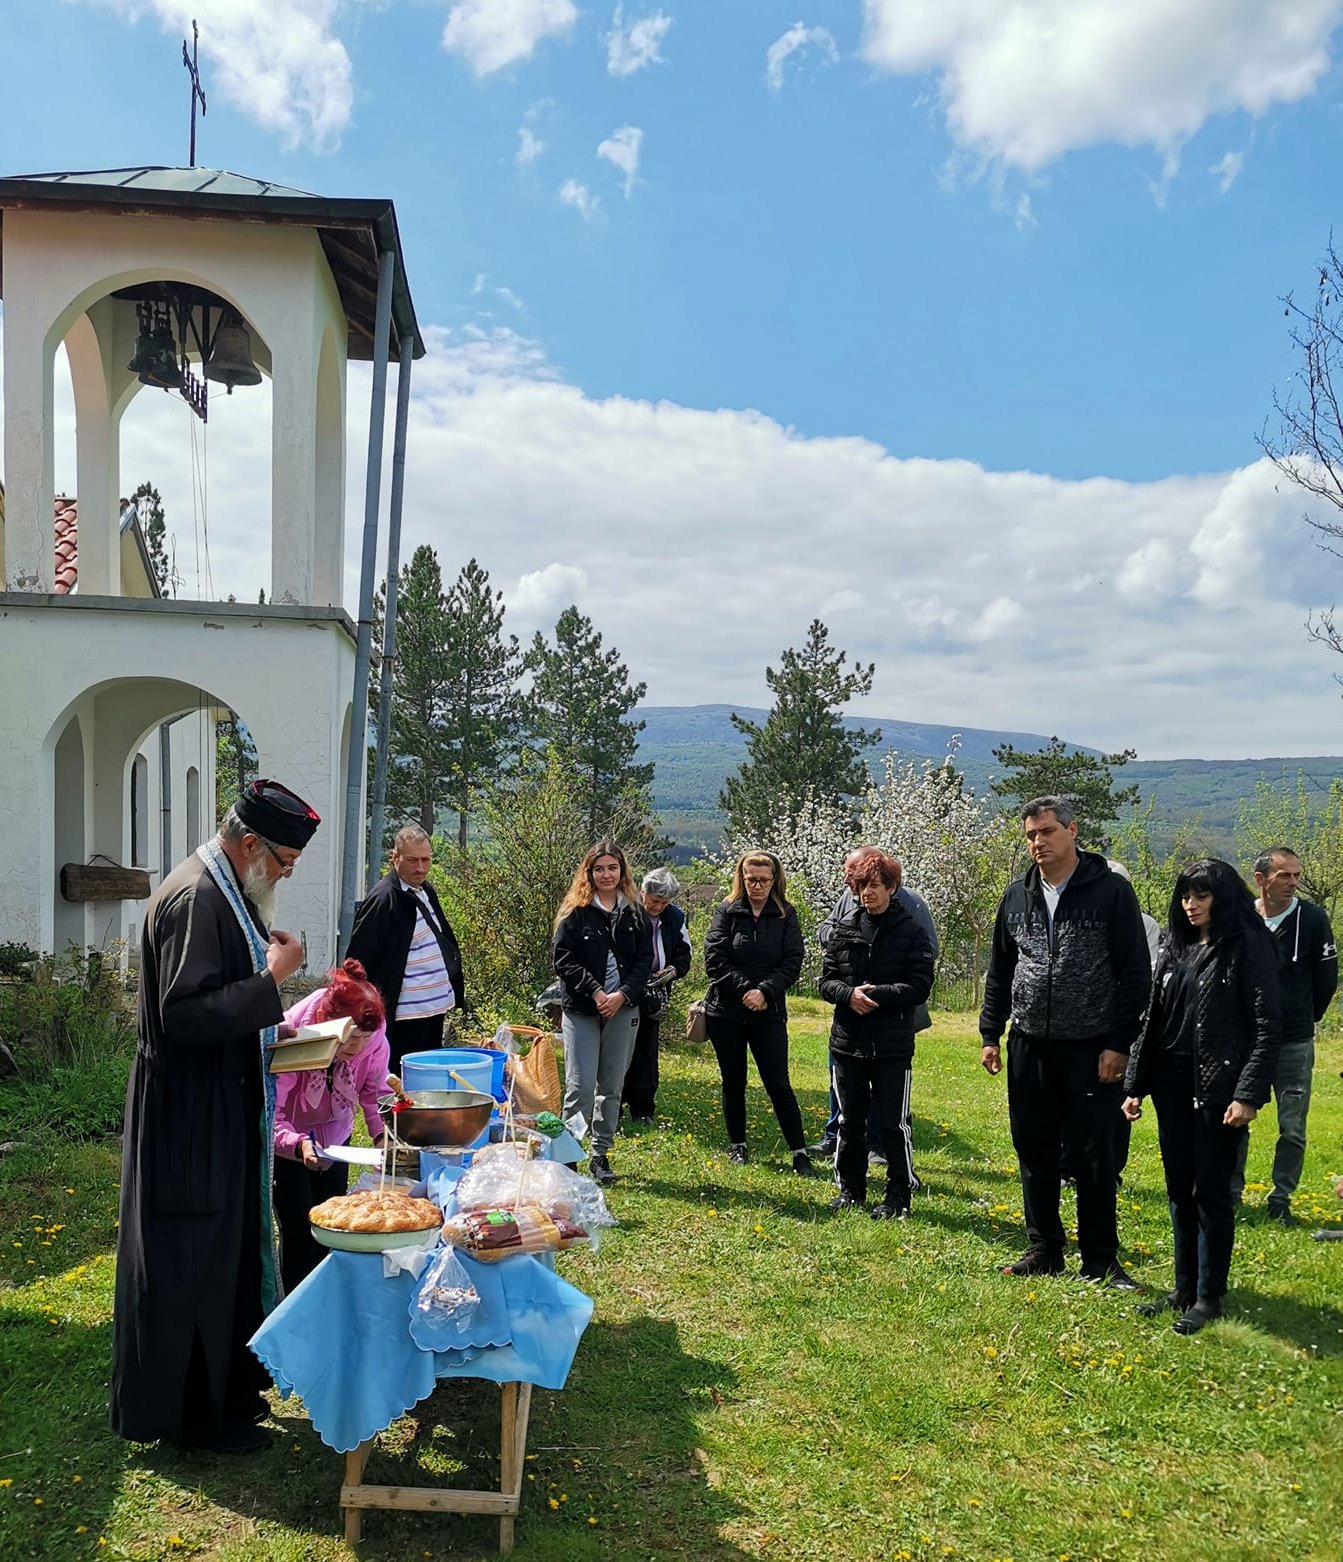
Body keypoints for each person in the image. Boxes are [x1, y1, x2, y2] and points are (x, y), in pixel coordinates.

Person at [111, 778, 319, 1453]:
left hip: (216, 1108)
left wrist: (274, 1032)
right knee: (191, 1264)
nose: (285, 874)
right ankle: (193, 1421)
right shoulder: (198, 897)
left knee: (223, 1256)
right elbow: (184, 1014)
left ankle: (229, 1398)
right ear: (250, 842)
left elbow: (213, 1005)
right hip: (188, 1119)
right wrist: (272, 981)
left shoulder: (225, 888)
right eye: (283, 860)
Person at [979, 796, 1150, 1287]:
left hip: (1092, 1047)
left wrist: (1120, 1044)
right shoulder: (1016, 896)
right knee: (1033, 1147)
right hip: (1029, 1044)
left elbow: (1135, 974)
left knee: (1095, 1153)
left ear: (1073, 831)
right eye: (1031, 835)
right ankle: (1044, 1249)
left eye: (1048, 832)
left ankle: (1099, 1260)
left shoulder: (1111, 893)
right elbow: (1001, 971)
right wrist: (992, 1032)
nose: (1038, 843)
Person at [1123, 860, 1282, 1333]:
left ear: (1224, 897)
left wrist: (1248, 1093)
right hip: (1172, 1085)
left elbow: (1267, 1028)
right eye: (1186, 896)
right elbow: (1153, 1018)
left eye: (1202, 896)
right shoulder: (1177, 946)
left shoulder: (1249, 945)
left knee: (1210, 1192)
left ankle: (1209, 1295)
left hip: (1218, 1089)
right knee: (1178, 1189)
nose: (1190, 905)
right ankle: (1183, 1288)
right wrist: (1135, 1085)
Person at [818, 851, 935, 1218]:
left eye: (873, 886)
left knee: (892, 1123)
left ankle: (899, 1194)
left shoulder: (911, 932)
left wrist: (877, 995)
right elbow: (825, 981)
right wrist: (848, 995)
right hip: (848, 1042)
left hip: (891, 1045)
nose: (865, 893)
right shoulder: (845, 929)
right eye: (859, 887)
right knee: (849, 1121)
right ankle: (851, 1190)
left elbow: (918, 987)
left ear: (891, 887)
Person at [1230, 846, 1338, 1224]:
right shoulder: (1242, 919)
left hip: (1293, 1040)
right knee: (1236, 1116)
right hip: (1245, 1040)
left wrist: (1303, 1017)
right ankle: (1231, 1193)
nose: (1294, 882)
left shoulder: (1312, 918)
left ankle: (1281, 1198)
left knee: (1292, 1125)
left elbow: (1327, 979)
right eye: (1284, 876)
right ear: (1260, 880)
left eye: (1296, 875)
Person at [272, 960, 390, 1294]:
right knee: (299, 1232)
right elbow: (271, 1112)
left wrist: (381, 1133)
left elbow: (375, 1091)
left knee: (332, 1226)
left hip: (335, 1140)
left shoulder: (374, 1035)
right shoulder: (297, 1032)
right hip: (290, 1142)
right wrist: (296, 1144)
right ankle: (296, 1310)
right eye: (351, 1039)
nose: (358, 1049)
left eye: (365, 1039)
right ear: (329, 1024)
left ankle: (326, 1304)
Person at [703, 850, 813, 1175]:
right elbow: (715, 959)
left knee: (778, 1083)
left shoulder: (785, 915)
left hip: (768, 1012)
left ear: (775, 880)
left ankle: (799, 1152)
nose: (757, 886)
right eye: (751, 879)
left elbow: (793, 960)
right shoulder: (726, 911)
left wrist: (764, 990)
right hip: (727, 1013)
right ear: (742, 878)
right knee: (733, 1081)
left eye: (764, 880)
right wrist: (744, 990)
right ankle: (738, 1145)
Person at [553, 842, 653, 1186]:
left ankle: (600, 1152)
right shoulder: (576, 912)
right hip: (582, 1008)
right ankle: (568, 1155)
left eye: (612, 867)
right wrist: (596, 991)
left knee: (611, 1085)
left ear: (622, 871)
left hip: (623, 1009)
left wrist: (622, 995)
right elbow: (563, 960)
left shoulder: (635, 913)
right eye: (599, 869)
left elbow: (644, 962)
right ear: (589, 873)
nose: (606, 874)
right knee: (579, 1086)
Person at [345, 824, 466, 1072]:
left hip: (432, 1010)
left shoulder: (424, 890)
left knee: (427, 1083)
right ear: (395, 858)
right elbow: (358, 962)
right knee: (402, 1085)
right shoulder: (383, 899)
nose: (420, 868)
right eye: (412, 860)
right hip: (405, 1017)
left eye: (425, 860)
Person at [621, 867, 693, 1125]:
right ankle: (613, 1106)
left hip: (657, 991)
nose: (658, 907)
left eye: (664, 903)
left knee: (646, 1051)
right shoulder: (626, 911)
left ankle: (642, 1109)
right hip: (626, 989)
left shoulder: (675, 917)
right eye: (654, 901)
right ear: (643, 893)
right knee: (619, 1050)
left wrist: (673, 970)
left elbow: (685, 953)